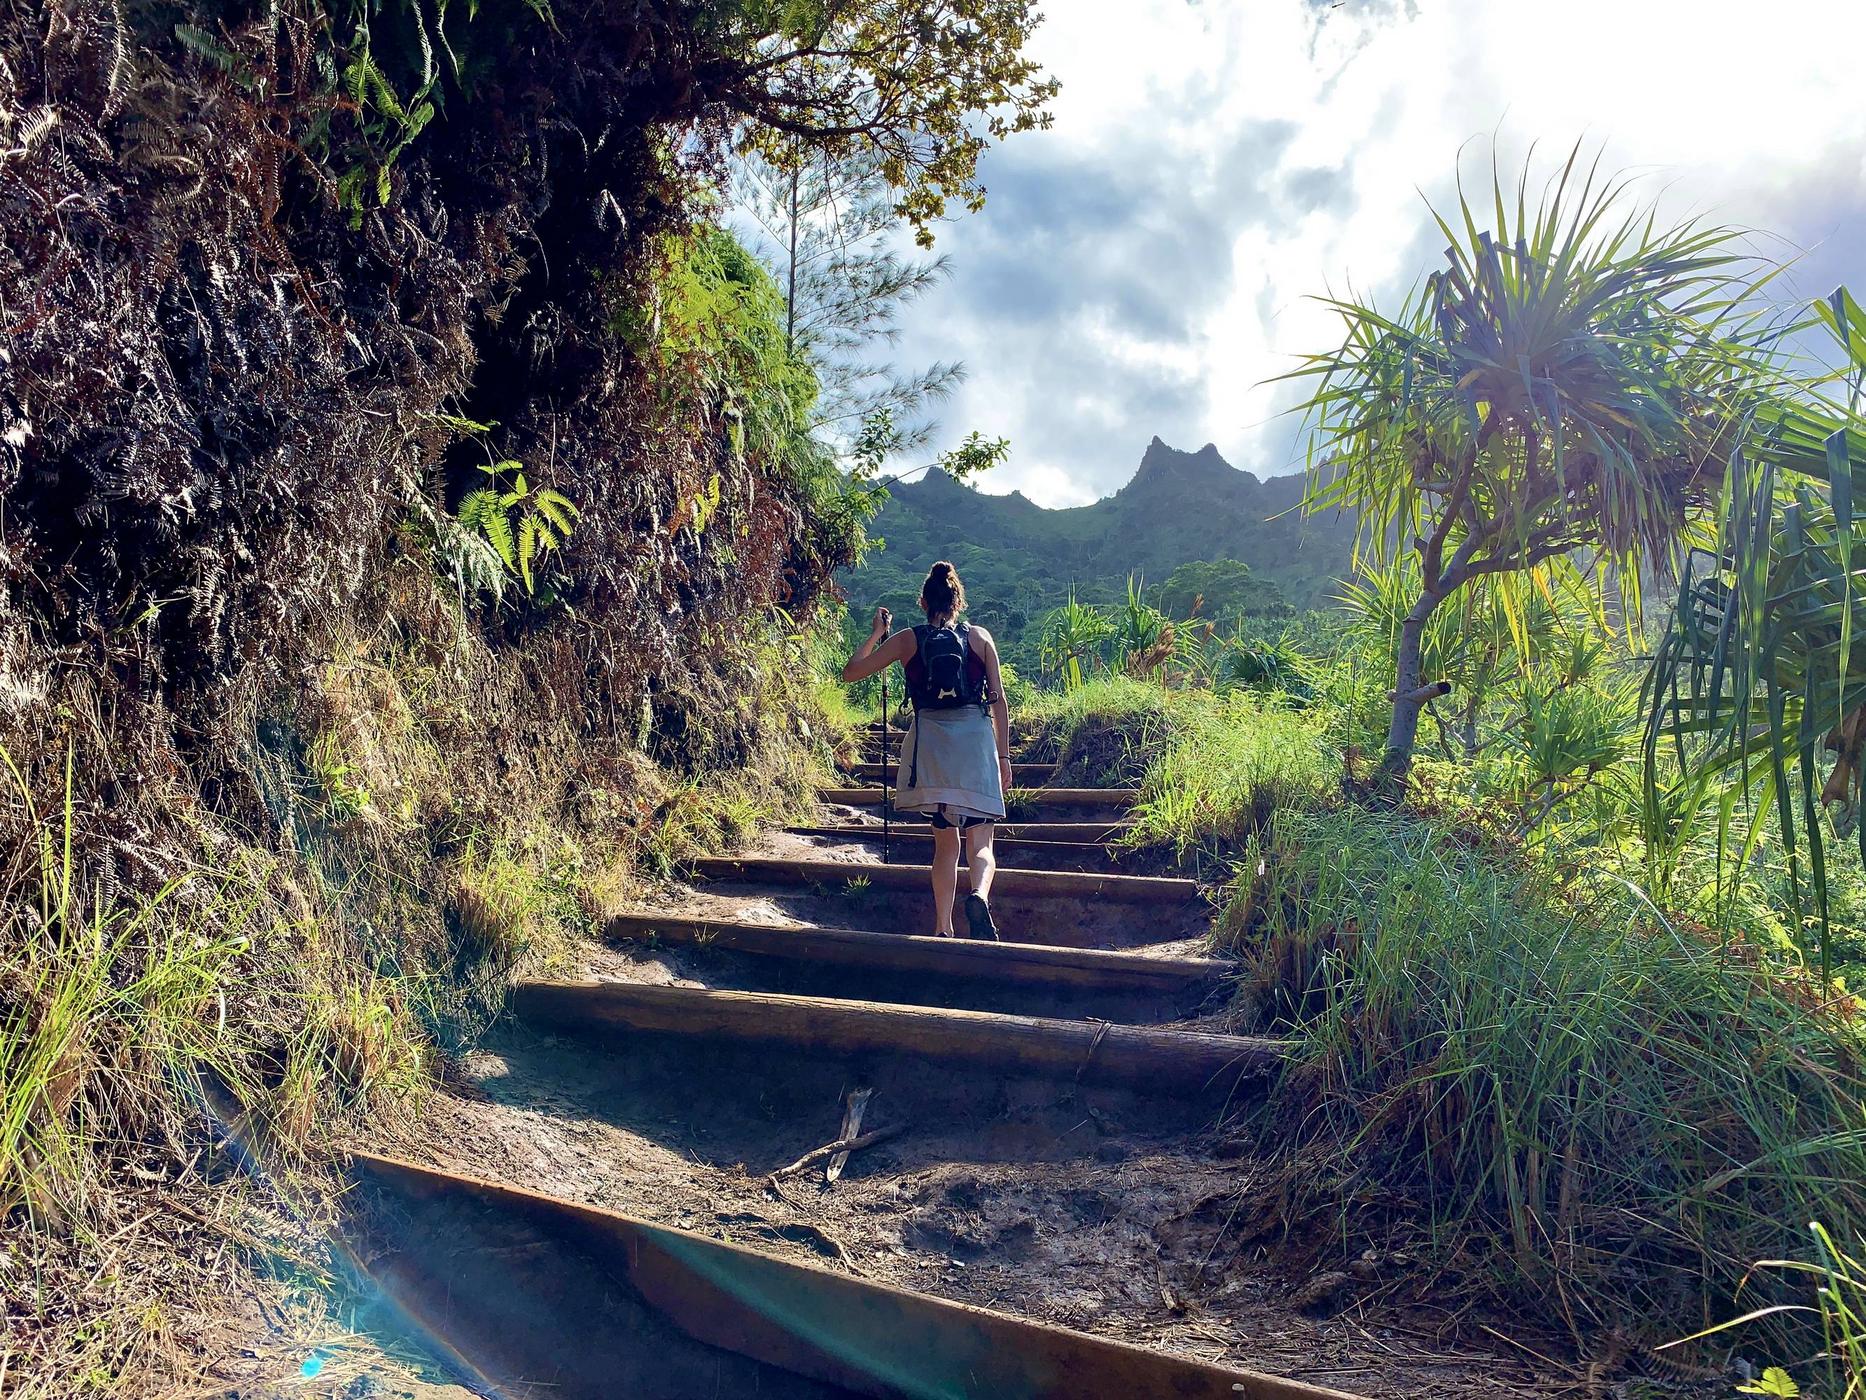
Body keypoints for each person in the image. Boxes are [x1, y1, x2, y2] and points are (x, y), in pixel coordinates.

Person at [840, 561, 1012, 939]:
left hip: (931, 744)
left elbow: (851, 672)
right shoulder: (980, 637)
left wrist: (877, 634)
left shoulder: (907, 639)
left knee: (945, 842)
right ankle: (979, 895)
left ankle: (942, 927)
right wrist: (1003, 756)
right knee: (981, 839)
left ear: (923, 601)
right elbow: (998, 702)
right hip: (975, 742)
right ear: (958, 600)